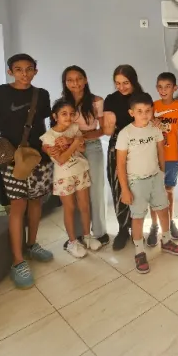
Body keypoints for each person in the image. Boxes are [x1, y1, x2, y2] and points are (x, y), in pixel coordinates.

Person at [0, 53, 54, 289]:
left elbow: (46, 123)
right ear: (10, 72)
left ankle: (32, 245)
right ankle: (18, 261)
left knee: (36, 201)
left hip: (39, 158)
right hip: (11, 160)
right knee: (18, 206)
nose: (24, 74)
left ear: (36, 71)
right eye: (18, 69)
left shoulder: (42, 94)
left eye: (29, 69)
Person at [117, 92, 178, 273]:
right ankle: (139, 251)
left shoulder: (155, 129)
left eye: (148, 110)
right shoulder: (125, 133)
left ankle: (166, 240)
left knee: (163, 209)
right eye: (139, 111)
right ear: (131, 113)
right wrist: (124, 189)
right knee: (138, 217)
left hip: (155, 177)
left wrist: (161, 173)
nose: (144, 114)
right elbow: (120, 163)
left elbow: (161, 151)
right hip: (136, 181)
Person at [41, 100, 101, 257]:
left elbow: (82, 147)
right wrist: (74, 143)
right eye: (64, 114)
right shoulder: (48, 137)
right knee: (70, 208)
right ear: (55, 116)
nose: (68, 117)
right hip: (64, 177)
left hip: (81, 171)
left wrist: (73, 142)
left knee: (84, 205)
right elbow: (61, 160)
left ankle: (87, 237)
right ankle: (72, 242)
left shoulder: (74, 128)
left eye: (71, 114)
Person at [61, 66, 109, 248]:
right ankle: (79, 234)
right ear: (65, 83)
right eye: (70, 80)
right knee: (75, 192)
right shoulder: (62, 103)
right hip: (69, 149)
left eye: (79, 78)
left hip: (92, 147)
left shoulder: (97, 101)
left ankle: (100, 233)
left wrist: (81, 137)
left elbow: (103, 130)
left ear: (86, 79)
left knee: (95, 190)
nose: (75, 83)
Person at [103, 65, 142, 250]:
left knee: (138, 188)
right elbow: (108, 130)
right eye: (117, 83)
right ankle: (123, 229)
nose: (121, 87)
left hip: (140, 147)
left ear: (133, 81)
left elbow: (147, 121)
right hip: (117, 147)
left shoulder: (141, 97)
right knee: (118, 187)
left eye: (125, 82)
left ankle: (137, 229)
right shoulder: (111, 99)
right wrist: (107, 123)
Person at [149, 72, 178, 246]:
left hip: (172, 156)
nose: (163, 90)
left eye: (167, 87)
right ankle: (154, 226)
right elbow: (142, 125)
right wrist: (152, 123)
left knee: (168, 191)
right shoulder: (153, 106)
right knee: (154, 193)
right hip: (154, 157)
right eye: (160, 87)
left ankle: (170, 221)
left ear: (175, 88)